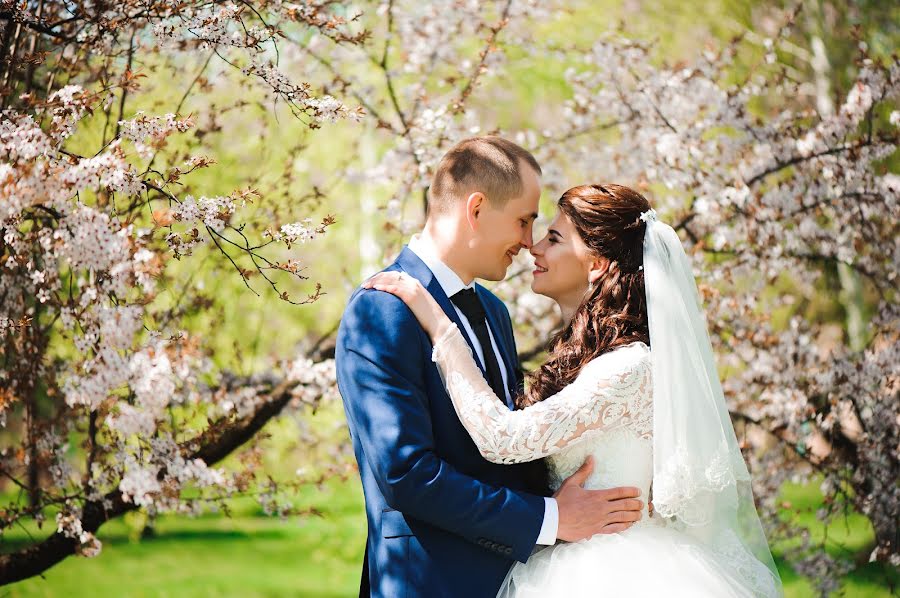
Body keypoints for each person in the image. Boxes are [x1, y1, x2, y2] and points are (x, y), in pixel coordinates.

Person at [364, 183, 784, 597]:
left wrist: (440, 327)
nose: (534, 247)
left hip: (613, 573)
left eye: (553, 238)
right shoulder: (589, 358)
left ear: (597, 263)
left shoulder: (628, 366)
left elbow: (504, 438)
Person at [335, 138, 646, 598]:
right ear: (476, 209)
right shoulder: (382, 311)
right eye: (524, 221)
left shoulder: (495, 312)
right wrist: (551, 519)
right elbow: (406, 473)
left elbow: (513, 449)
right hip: (430, 582)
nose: (527, 243)